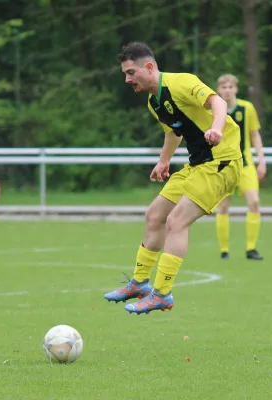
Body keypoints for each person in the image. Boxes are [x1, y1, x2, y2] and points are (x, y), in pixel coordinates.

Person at [103, 42, 242, 314]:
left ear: (150, 67)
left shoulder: (181, 83)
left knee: (176, 221)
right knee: (155, 215)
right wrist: (164, 160)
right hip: (197, 164)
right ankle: (139, 283)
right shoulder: (154, 102)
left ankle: (162, 293)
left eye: (131, 72)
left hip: (222, 161)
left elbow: (218, 102)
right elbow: (173, 132)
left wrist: (216, 129)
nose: (127, 79)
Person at [214, 74, 266, 260]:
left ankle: (251, 248)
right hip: (224, 166)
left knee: (254, 202)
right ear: (219, 89)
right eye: (223, 87)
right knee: (223, 206)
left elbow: (254, 135)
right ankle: (224, 251)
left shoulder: (247, 108)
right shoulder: (214, 109)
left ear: (236, 89)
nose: (227, 90)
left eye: (230, 87)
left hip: (245, 164)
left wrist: (261, 159)